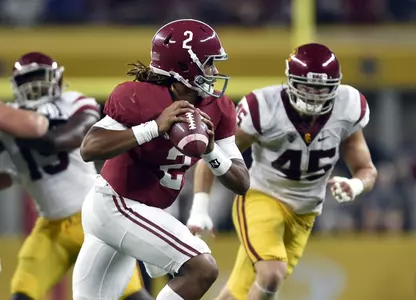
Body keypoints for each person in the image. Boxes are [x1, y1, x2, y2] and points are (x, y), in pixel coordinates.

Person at [72, 19, 250, 300]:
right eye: (208, 64)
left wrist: (211, 151)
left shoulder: (219, 108)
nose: (215, 71)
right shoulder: (138, 96)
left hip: (139, 209)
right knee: (202, 268)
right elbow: (89, 148)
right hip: (118, 203)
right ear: (184, 66)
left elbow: (241, 182)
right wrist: (153, 127)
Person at [191, 43, 378, 300]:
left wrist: (354, 185)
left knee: (239, 291)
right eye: (306, 86)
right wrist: (200, 210)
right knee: (271, 274)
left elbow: (366, 170)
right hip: (261, 197)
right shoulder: (264, 106)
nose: (313, 95)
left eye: (321, 89)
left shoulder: (349, 106)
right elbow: (213, 155)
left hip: (306, 211)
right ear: (290, 81)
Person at [0, 52, 149, 300]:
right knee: (23, 293)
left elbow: (66, 139)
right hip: (50, 226)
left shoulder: (73, 102)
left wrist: (18, 127)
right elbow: (12, 174)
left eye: (40, 76)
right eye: (28, 78)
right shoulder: (13, 118)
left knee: (128, 294)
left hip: (93, 218)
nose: (35, 83)